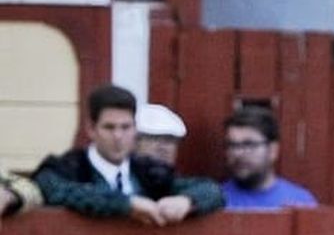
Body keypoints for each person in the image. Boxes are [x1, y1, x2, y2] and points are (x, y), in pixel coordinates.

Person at [32, 83, 223, 225]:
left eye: (125, 127)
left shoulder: (150, 171)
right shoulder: (67, 167)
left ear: (135, 129)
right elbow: (54, 188)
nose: (118, 136)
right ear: (91, 129)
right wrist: (126, 204)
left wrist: (187, 201)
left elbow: (211, 190)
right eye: (109, 127)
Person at [220, 107, 318, 210]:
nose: (237, 153)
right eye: (232, 145)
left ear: (272, 150)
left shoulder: (301, 202)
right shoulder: (217, 203)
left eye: (249, 144)